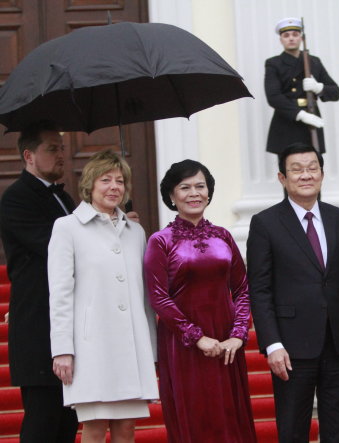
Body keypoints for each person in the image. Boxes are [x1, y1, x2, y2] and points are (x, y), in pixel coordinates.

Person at [247, 143, 339, 442]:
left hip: (338, 342)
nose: (306, 175)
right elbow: (259, 290)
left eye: (313, 168)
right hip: (290, 346)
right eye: (296, 170)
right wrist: (272, 344)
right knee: (293, 429)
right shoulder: (265, 223)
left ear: (322, 174)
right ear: (282, 178)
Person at [47, 150, 158, 442]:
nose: (114, 187)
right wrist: (62, 349)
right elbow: (60, 293)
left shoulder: (136, 232)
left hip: (132, 347)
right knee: (94, 427)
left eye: (120, 181)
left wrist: (151, 348)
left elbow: (144, 296)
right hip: (91, 347)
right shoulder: (67, 228)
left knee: (127, 428)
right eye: (105, 180)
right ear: (90, 184)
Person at [143, 160, 256, 443]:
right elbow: (158, 297)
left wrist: (238, 335)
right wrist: (196, 337)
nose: (194, 193)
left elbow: (242, 289)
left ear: (209, 192)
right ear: (172, 195)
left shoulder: (223, 236)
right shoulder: (160, 241)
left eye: (200, 186)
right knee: (196, 415)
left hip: (226, 341)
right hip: (183, 344)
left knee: (230, 415)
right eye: (185, 187)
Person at [0, 120, 79, 442]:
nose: (61, 154)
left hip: (66, 321)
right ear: (29, 155)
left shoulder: (65, 198)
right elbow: (54, 247)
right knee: (43, 421)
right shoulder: (16, 198)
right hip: (37, 323)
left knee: (67, 422)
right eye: (52, 149)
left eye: (62, 147)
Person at [265, 17, 339, 155]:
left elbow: (336, 92)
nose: (291, 38)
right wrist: (300, 115)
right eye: (286, 35)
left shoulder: (314, 61)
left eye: (295, 34)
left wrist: (318, 87)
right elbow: (273, 97)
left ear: (301, 38)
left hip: (312, 119)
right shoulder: (274, 63)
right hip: (287, 122)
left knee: (313, 163)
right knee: (290, 164)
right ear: (281, 39)